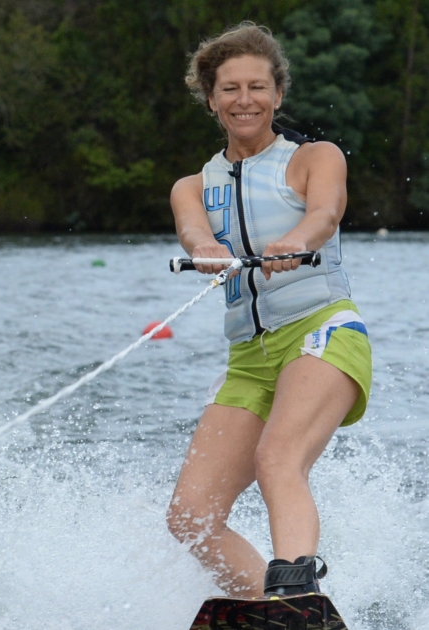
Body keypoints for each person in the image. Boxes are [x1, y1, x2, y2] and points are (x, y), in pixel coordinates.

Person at [165, 22, 371, 598]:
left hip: (322, 333)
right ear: (211, 99)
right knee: (190, 516)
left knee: (277, 457)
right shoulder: (192, 185)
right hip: (248, 359)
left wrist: (296, 239)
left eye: (257, 87)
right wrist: (205, 250)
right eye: (230, 89)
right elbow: (193, 231)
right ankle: (268, 606)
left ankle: (297, 583)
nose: (244, 100)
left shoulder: (314, 158)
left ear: (278, 95)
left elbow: (325, 213)